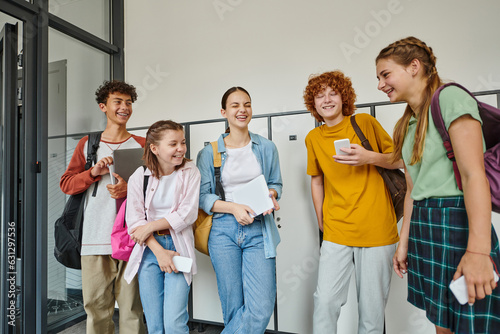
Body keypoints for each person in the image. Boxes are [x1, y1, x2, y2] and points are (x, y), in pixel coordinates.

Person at [376, 36, 500, 333]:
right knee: (442, 321)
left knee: (473, 322)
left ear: (414, 67)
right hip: (424, 225)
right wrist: (402, 243)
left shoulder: (450, 98)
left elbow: (473, 177)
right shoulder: (406, 123)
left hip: (457, 223)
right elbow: (411, 189)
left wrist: (479, 252)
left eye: (385, 74)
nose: (380, 84)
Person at [303, 71, 401, 334]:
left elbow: (401, 160)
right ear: (313, 104)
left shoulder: (364, 122)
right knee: (324, 302)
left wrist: (369, 157)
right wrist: (322, 221)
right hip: (336, 229)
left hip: (377, 229)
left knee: (371, 311)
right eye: (319, 95)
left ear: (343, 97)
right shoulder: (313, 139)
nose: (326, 99)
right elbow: (316, 181)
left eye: (332, 92)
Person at [60, 80, 146, 334]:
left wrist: (129, 189)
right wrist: (93, 172)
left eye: (128, 102)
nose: (124, 107)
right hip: (94, 239)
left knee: (132, 308)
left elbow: (160, 187)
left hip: (133, 238)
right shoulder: (88, 145)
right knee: (96, 308)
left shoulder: (143, 143)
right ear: (103, 106)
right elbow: (67, 184)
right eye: (118, 102)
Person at [196, 87, 282, 334]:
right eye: (235, 105)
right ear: (224, 112)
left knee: (261, 307)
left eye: (247, 104)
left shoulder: (266, 147)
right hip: (223, 231)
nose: (242, 110)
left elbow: (276, 183)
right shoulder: (209, 152)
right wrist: (233, 208)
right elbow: (203, 198)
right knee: (233, 306)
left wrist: (272, 195)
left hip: (259, 229)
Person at [123, 120, 200, 334]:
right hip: (149, 250)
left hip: (178, 247)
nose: (180, 149)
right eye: (173, 144)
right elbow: (135, 223)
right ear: (154, 148)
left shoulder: (190, 171)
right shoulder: (139, 176)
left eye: (182, 142)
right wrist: (159, 251)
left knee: (174, 324)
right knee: (155, 325)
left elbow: (187, 214)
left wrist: (150, 226)